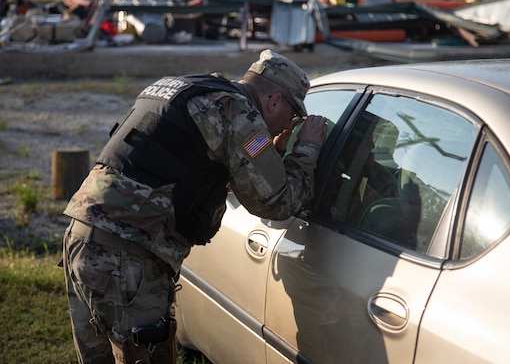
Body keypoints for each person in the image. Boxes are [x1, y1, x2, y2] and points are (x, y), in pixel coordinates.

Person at [61, 49, 328, 364]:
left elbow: (189, 171)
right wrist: (308, 146)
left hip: (82, 237)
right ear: (274, 102)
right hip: (126, 259)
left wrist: (271, 154)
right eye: (293, 115)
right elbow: (278, 203)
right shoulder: (238, 112)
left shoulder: (191, 89)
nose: (290, 123)